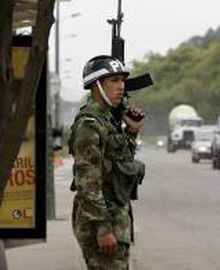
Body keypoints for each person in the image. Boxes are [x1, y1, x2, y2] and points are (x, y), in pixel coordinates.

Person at [68, 55, 145, 269]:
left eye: (122, 80)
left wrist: (131, 131)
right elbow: (87, 181)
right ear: (96, 86)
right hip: (101, 220)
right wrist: (103, 228)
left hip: (114, 217)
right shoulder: (89, 124)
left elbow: (120, 163)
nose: (121, 86)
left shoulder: (107, 120)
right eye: (114, 80)